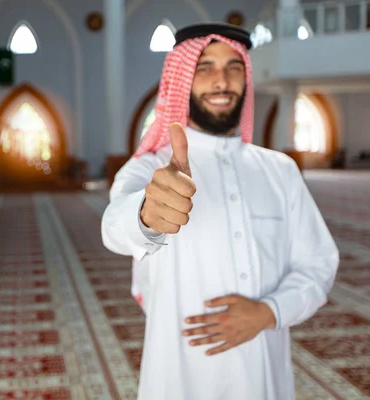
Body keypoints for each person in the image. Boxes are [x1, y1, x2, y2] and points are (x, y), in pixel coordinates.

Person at [101, 23, 339, 400]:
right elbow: (114, 227)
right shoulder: (150, 168)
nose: (221, 81)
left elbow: (318, 264)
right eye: (204, 67)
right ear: (182, 80)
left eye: (234, 67)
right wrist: (147, 213)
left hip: (263, 366)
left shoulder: (279, 170)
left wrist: (269, 312)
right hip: (180, 372)